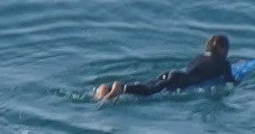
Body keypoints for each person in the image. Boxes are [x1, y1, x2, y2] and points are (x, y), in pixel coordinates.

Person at [95, 36, 235, 102]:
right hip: (181, 80)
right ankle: (120, 88)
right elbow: (230, 81)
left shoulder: (200, 57)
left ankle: (107, 88)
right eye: (227, 48)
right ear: (221, 48)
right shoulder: (223, 63)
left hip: (173, 74)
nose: (228, 52)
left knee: (149, 85)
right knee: (150, 92)